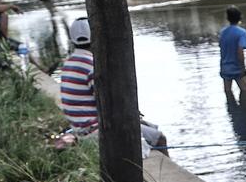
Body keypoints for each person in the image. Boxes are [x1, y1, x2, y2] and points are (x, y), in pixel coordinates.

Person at [58, 17, 168, 153]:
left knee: (148, 126)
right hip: (95, 130)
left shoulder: (68, 63)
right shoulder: (93, 65)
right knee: (159, 138)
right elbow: (108, 106)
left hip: (78, 128)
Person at [60, 18, 99, 133]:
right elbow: (106, 103)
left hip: (76, 125)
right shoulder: (92, 64)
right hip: (93, 127)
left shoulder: (68, 62)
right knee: (148, 133)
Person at [219, 5, 246, 101]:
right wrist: (243, 68)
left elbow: (222, 49)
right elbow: (240, 51)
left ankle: (232, 110)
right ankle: (245, 108)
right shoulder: (242, 33)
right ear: (240, 17)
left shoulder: (223, 32)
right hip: (237, 69)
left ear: (227, 18)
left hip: (225, 68)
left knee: (228, 93)